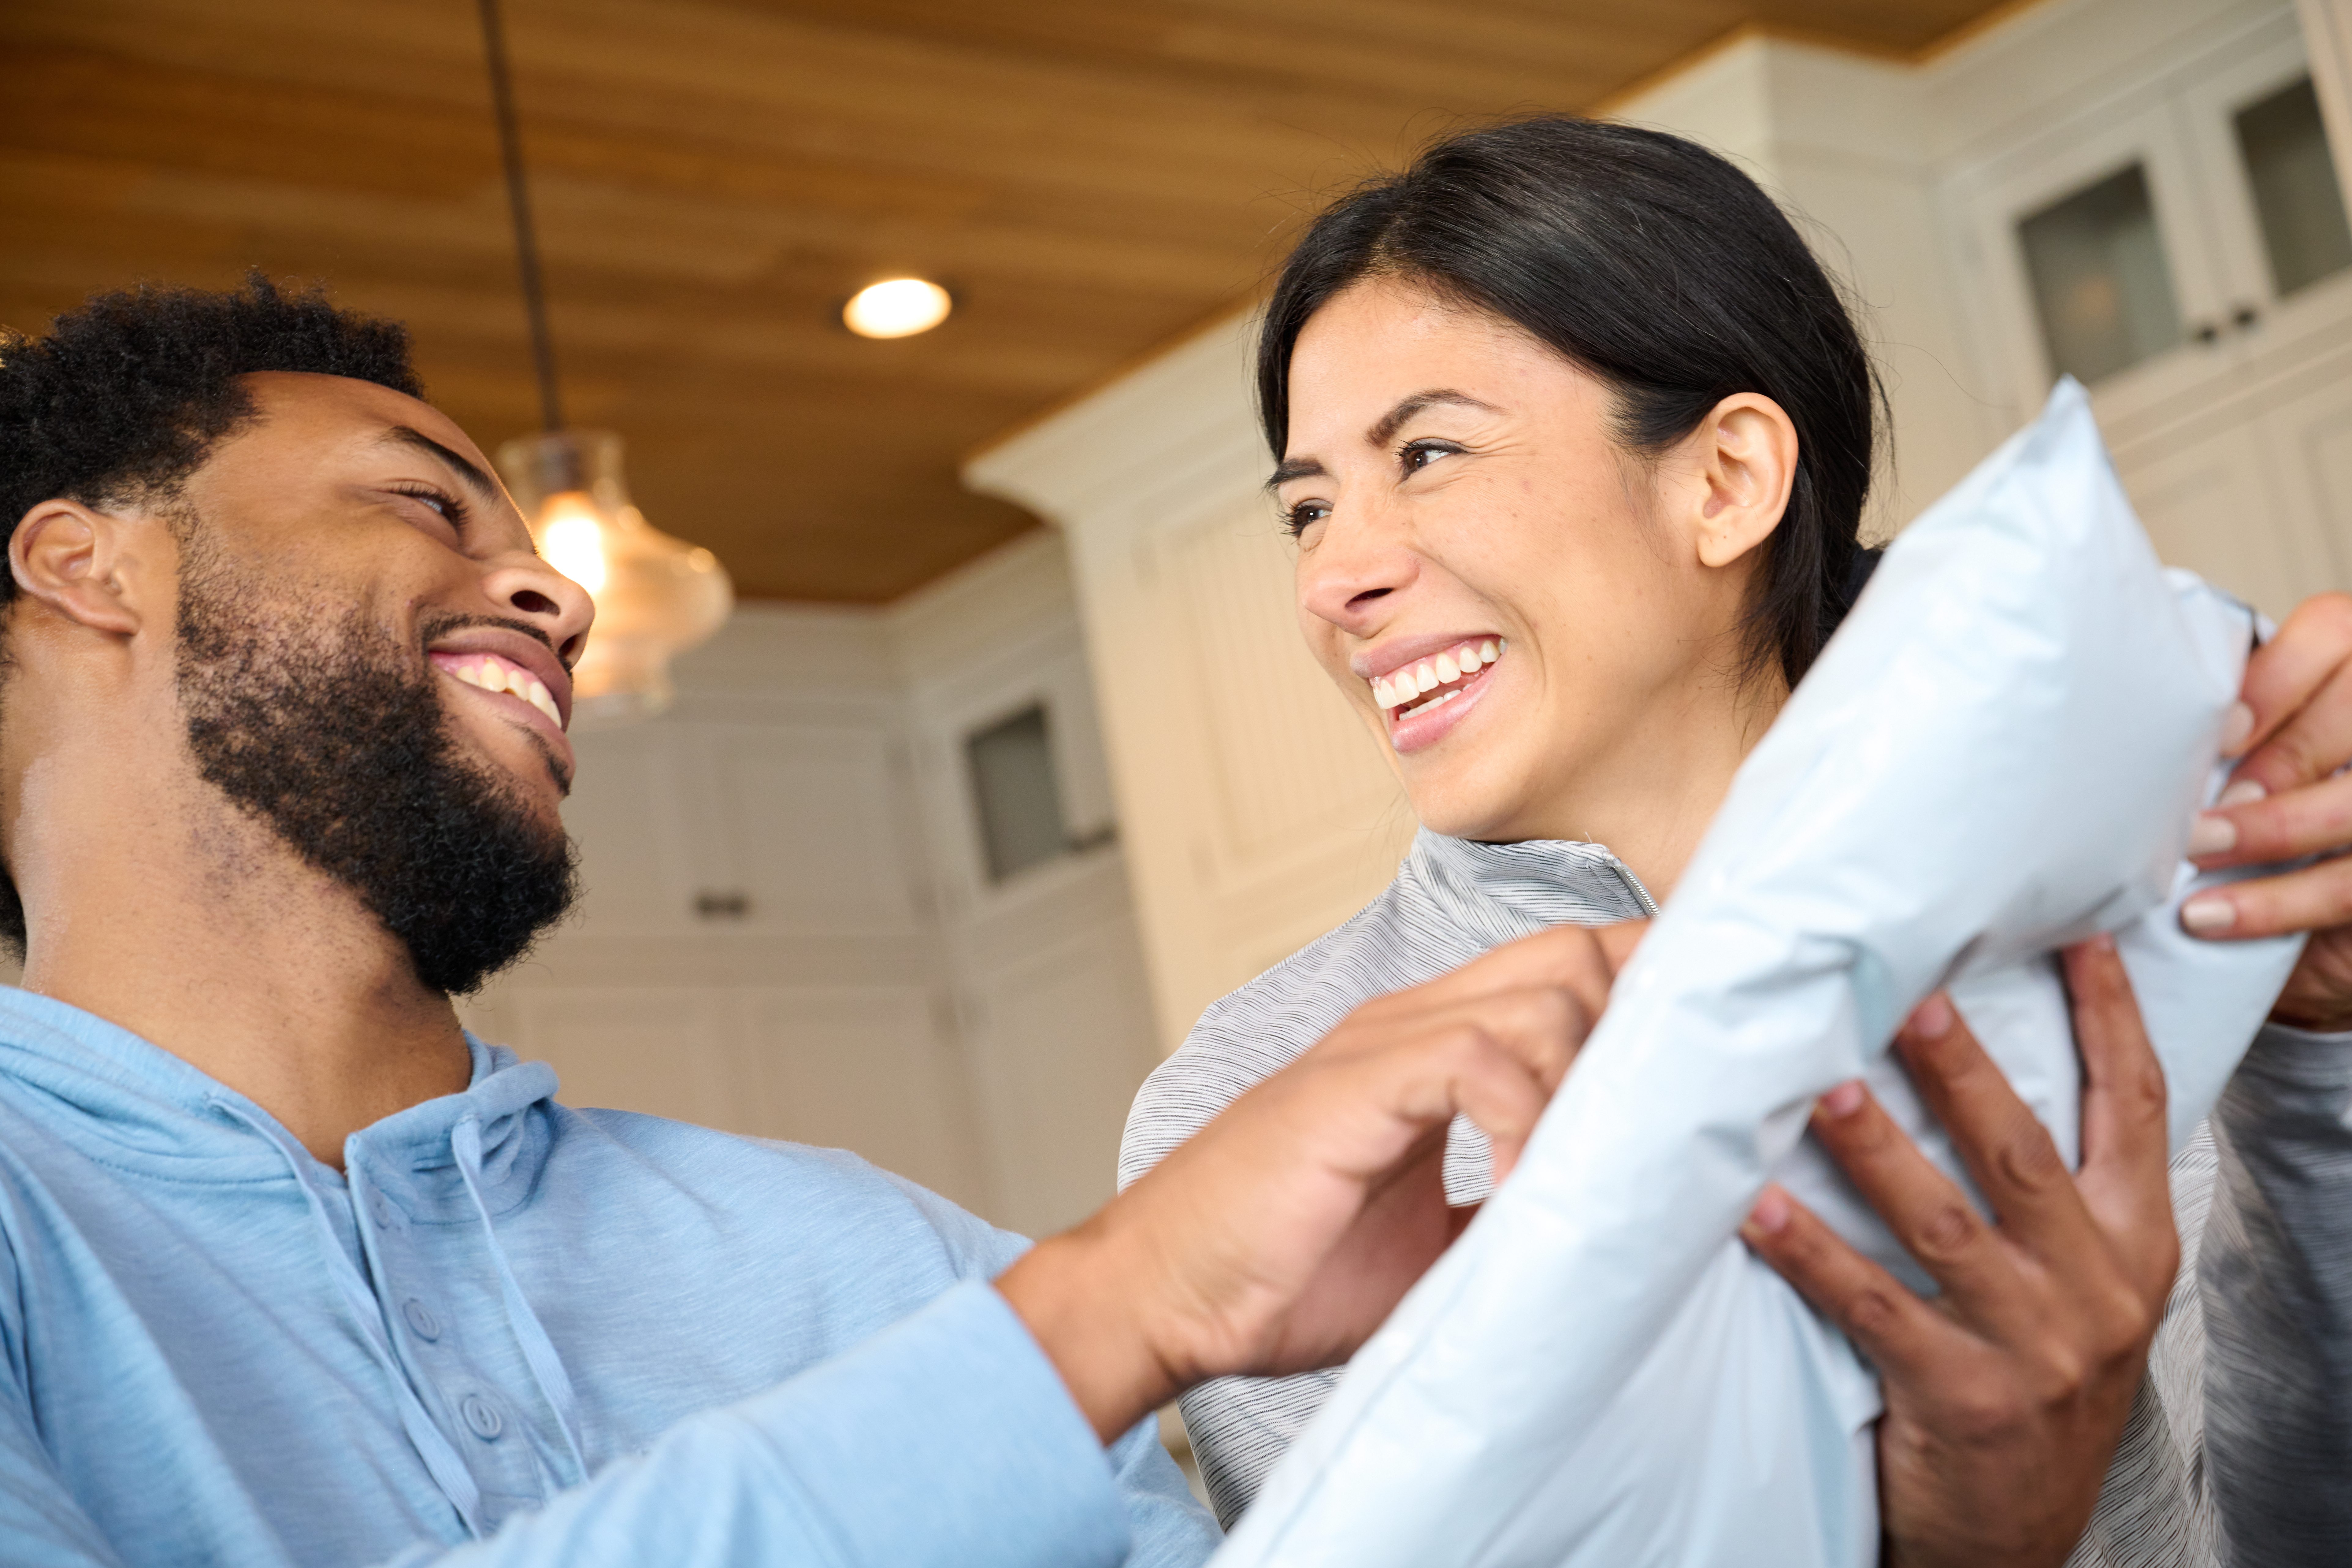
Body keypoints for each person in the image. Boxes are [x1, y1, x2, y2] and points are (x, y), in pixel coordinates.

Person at [0, 276, 1644, 1568]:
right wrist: (1113, 1305)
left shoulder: (890, 1261)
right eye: (428, 505)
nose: (561, 600)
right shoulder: (1060, 1309)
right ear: (90, 566)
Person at [1119, 116, 2352, 1566]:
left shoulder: (2129, 877)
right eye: (1308, 509)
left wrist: (2317, 1070)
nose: (1334, 576)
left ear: (1726, 482)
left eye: (1429, 453)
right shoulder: (1256, 1101)